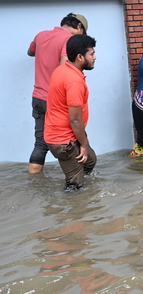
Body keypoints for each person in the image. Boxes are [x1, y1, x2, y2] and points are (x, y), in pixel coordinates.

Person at [27, 13, 89, 174]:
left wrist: (44, 51)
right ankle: (78, 187)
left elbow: (30, 52)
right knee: (75, 140)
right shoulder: (68, 40)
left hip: (38, 98)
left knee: (40, 144)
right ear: (79, 27)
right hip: (57, 101)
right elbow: (64, 68)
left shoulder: (41, 35)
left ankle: (34, 182)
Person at [44, 34, 97, 191]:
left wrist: (83, 143)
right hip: (63, 140)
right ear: (80, 57)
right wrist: (84, 144)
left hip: (69, 133)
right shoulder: (74, 81)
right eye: (92, 54)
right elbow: (74, 120)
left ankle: (80, 179)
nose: (95, 57)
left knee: (90, 161)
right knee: (75, 185)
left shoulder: (61, 69)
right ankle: (72, 211)